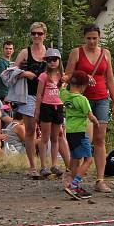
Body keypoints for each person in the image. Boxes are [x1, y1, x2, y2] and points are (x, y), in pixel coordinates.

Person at [64, 24, 114, 193]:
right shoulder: (76, 53)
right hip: (82, 99)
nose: (92, 41)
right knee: (84, 139)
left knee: (100, 139)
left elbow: (110, 79)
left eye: (95, 38)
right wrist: (84, 76)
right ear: (84, 38)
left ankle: (100, 179)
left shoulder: (106, 53)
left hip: (102, 98)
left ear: (99, 37)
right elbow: (66, 76)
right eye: (89, 38)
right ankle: (74, 178)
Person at [13, 22, 50, 179]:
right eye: (34, 33)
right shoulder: (25, 52)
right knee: (30, 131)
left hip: (46, 96)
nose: (36, 36)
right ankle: (32, 166)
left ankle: (44, 165)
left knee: (46, 131)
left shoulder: (49, 53)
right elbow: (11, 72)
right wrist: (24, 73)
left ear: (45, 35)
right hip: (28, 95)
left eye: (39, 34)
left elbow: (57, 72)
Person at [61, 70, 99, 200]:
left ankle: (71, 184)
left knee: (76, 159)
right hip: (80, 132)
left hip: (70, 133)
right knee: (88, 160)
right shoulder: (83, 100)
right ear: (83, 86)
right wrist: (96, 123)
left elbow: (62, 87)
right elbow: (91, 116)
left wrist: (65, 80)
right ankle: (74, 184)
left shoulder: (64, 96)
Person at [34, 49, 67, 177]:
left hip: (58, 107)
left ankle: (54, 164)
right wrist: (37, 110)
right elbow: (39, 95)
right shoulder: (44, 76)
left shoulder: (62, 77)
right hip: (46, 107)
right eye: (49, 60)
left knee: (55, 137)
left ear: (59, 61)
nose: (52, 62)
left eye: (55, 59)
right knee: (45, 138)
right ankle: (43, 166)